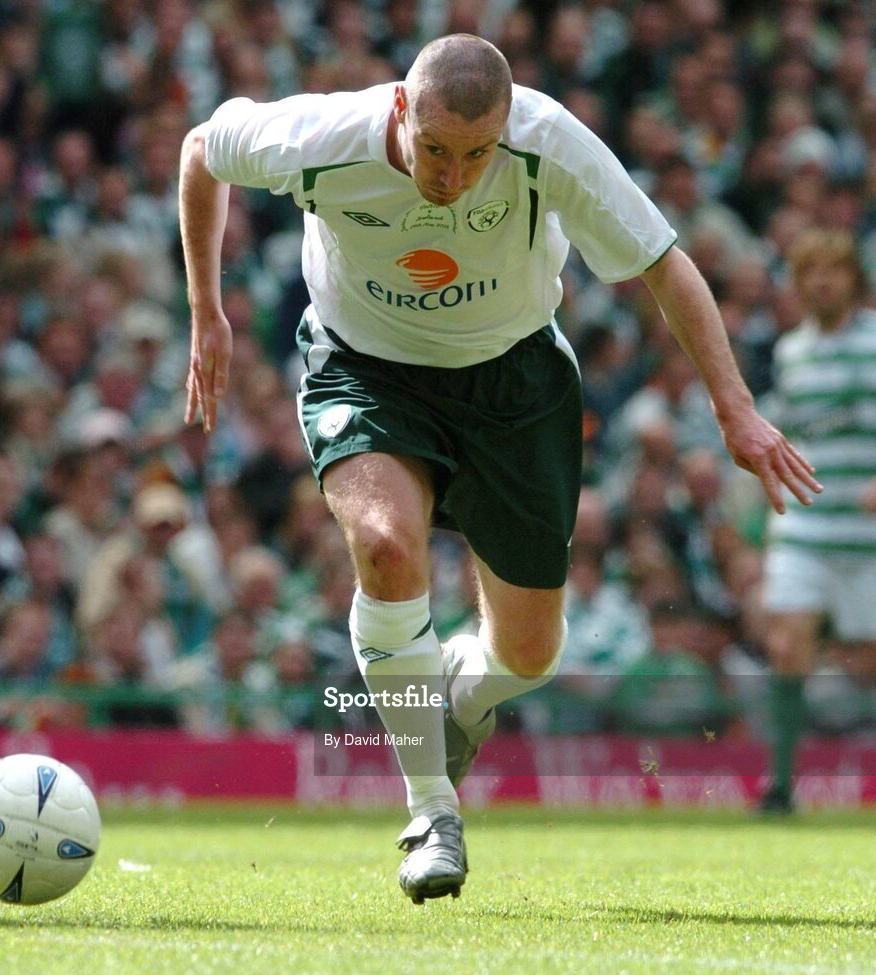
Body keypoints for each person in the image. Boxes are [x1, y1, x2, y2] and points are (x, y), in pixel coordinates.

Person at [178, 34, 821, 903]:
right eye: (436, 149)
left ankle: (463, 693)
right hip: (366, 369)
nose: (451, 175)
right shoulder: (321, 138)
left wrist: (735, 407)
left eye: (476, 154)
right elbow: (199, 151)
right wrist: (205, 309)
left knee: (530, 653)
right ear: (402, 110)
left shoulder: (548, 143)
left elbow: (666, 266)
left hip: (515, 382)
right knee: (384, 543)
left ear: (506, 128)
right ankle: (430, 810)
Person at [758, 228, 876, 814]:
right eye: (811, 272)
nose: (823, 282)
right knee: (786, 645)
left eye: (834, 269)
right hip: (806, 526)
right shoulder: (789, 352)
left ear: (855, 279)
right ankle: (781, 787)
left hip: (869, 534)